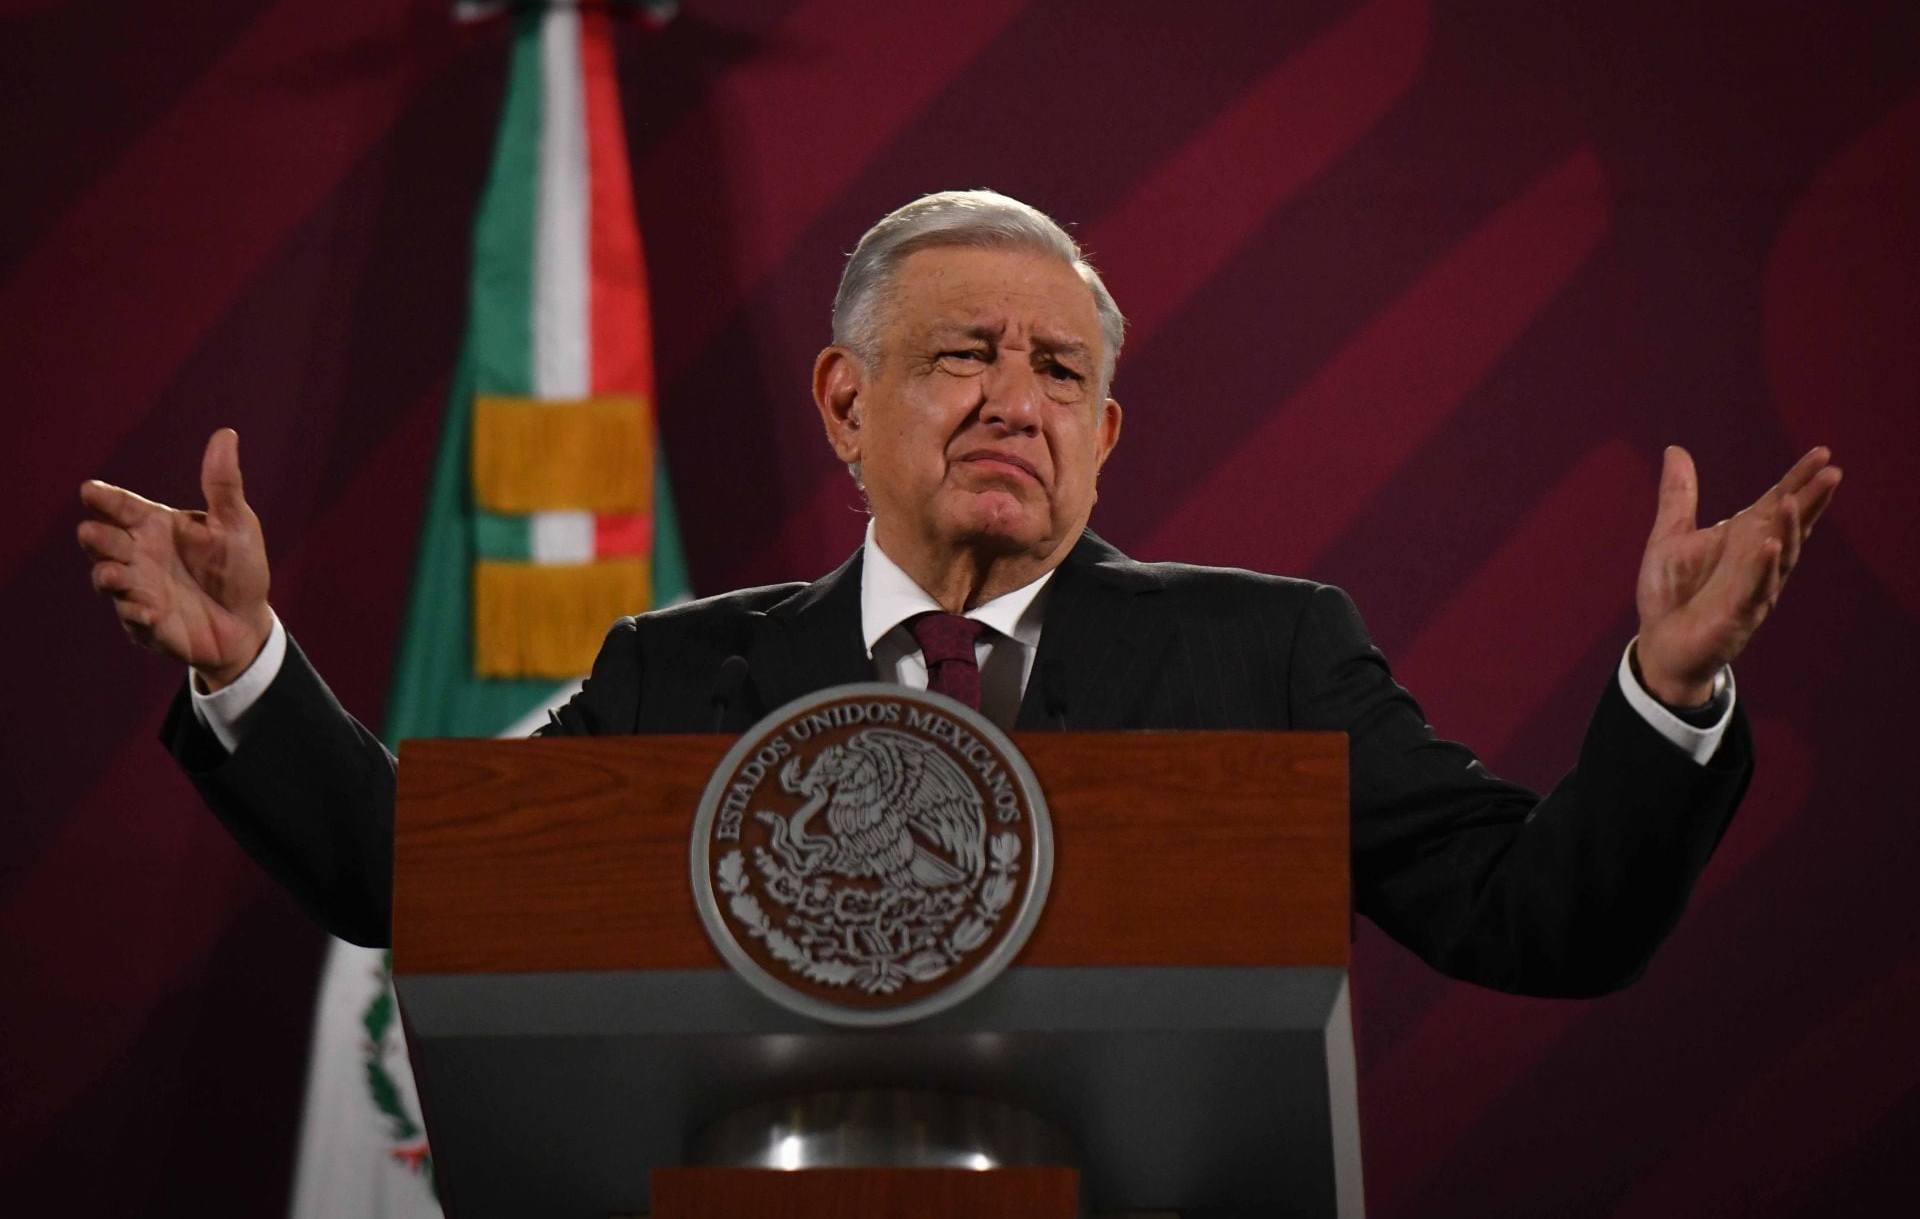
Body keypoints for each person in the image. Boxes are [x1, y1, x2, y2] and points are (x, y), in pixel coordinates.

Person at [77, 191, 1840, 994]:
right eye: (965, 356)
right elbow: (420, 880)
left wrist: (1666, 696)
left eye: (1063, 373)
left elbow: (1543, 923)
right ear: (846, 404)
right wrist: (249, 665)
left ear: (1107, 432)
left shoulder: (1263, 653)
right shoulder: (678, 670)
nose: (1017, 400)